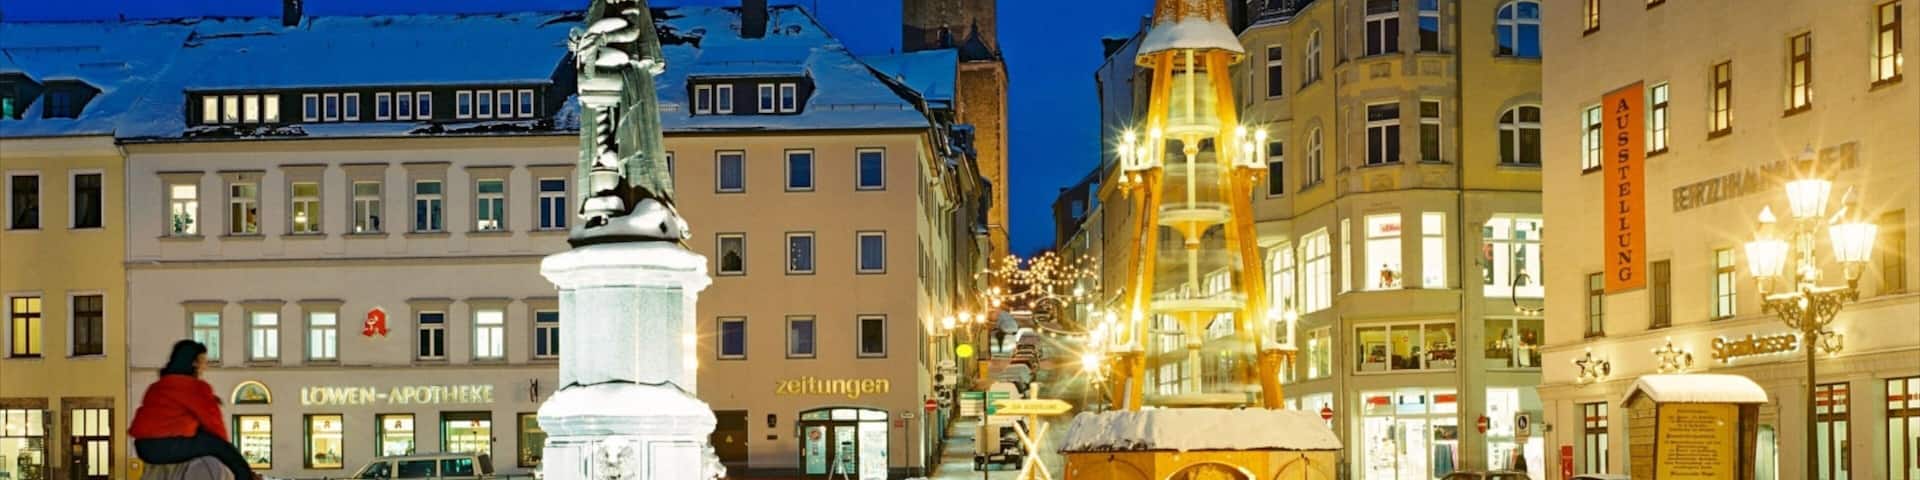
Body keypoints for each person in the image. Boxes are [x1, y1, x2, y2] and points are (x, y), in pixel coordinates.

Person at [129, 340, 259, 480]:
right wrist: (224, 451)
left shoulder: (156, 386)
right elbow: (214, 425)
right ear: (194, 363)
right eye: (203, 361)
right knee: (217, 445)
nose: (206, 366)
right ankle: (248, 477)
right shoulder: (196, 387)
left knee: (202, 436)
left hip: (144, 447)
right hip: (167, 446)